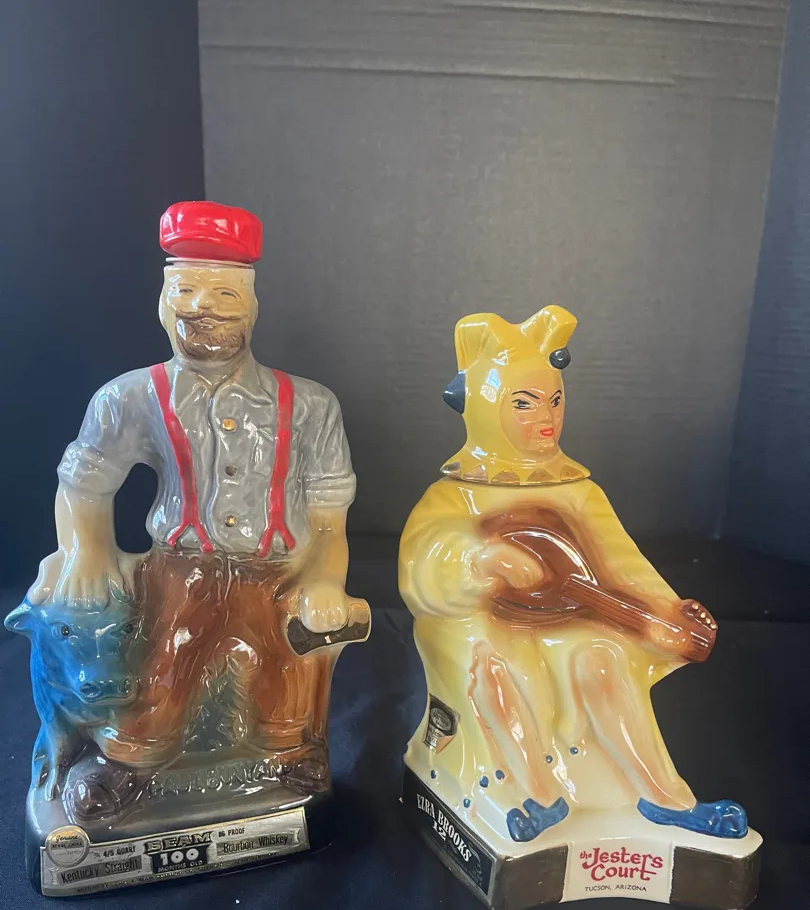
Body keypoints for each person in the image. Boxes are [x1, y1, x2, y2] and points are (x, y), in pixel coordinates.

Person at [31, 201, 360, 820]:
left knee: (284, 662)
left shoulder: (311, 406)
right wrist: (86, 549)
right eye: (184, 290)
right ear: (163, 302)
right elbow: (84, 481)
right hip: (182, 568)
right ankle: (129, 760)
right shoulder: (130, 397)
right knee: (164, 656)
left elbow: (329, 517)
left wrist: (324, 578)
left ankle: (289, 753)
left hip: (278, 571)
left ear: (253, 306)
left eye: (224, 294)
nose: (202, 307)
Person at [399, 305, 746, 844]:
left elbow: (621, 564)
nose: (546, 415)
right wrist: (479, 559)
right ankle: (535, 795)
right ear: (484, 407)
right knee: (494, 664)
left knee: (601, 656)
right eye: (523, 402)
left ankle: (661, 796)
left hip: (567, 616)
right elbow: (420, 564)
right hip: (472, 620)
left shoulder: (578, 492)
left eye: (555, 400)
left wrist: (663, 616)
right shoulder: (455, 494)